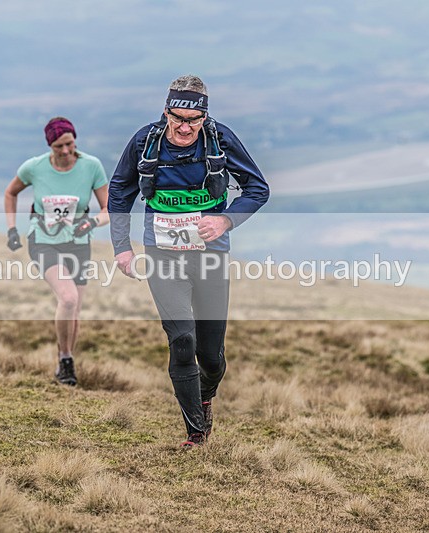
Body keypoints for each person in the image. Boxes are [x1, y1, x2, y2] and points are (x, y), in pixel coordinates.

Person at [108, 75, 269, 447]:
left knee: (210, 357)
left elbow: (258, 188)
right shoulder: (144, 142)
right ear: (165, 113)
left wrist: (226, 219)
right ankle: (195, 432)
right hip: (162, 254)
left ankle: (205, 396)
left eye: (192, 121)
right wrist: (122, 247)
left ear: (204, 118)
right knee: (182, 340)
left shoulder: (221, 139)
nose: (184, 128)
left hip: (210, 256)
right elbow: (120, 190)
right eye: (176, 118)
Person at [5, 117, 109, 386]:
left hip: (78, 243)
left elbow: (109, 209)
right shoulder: (34, 167)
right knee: (68, 297)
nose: (65, 151)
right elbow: (10, 193)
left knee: (74, 310)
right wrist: (12, 229)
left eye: (70, 144)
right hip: (43, 241)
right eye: (58, 146)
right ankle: (65, 359)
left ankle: (66, 362)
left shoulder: (91, 166)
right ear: (49, 145)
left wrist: (92, 222)